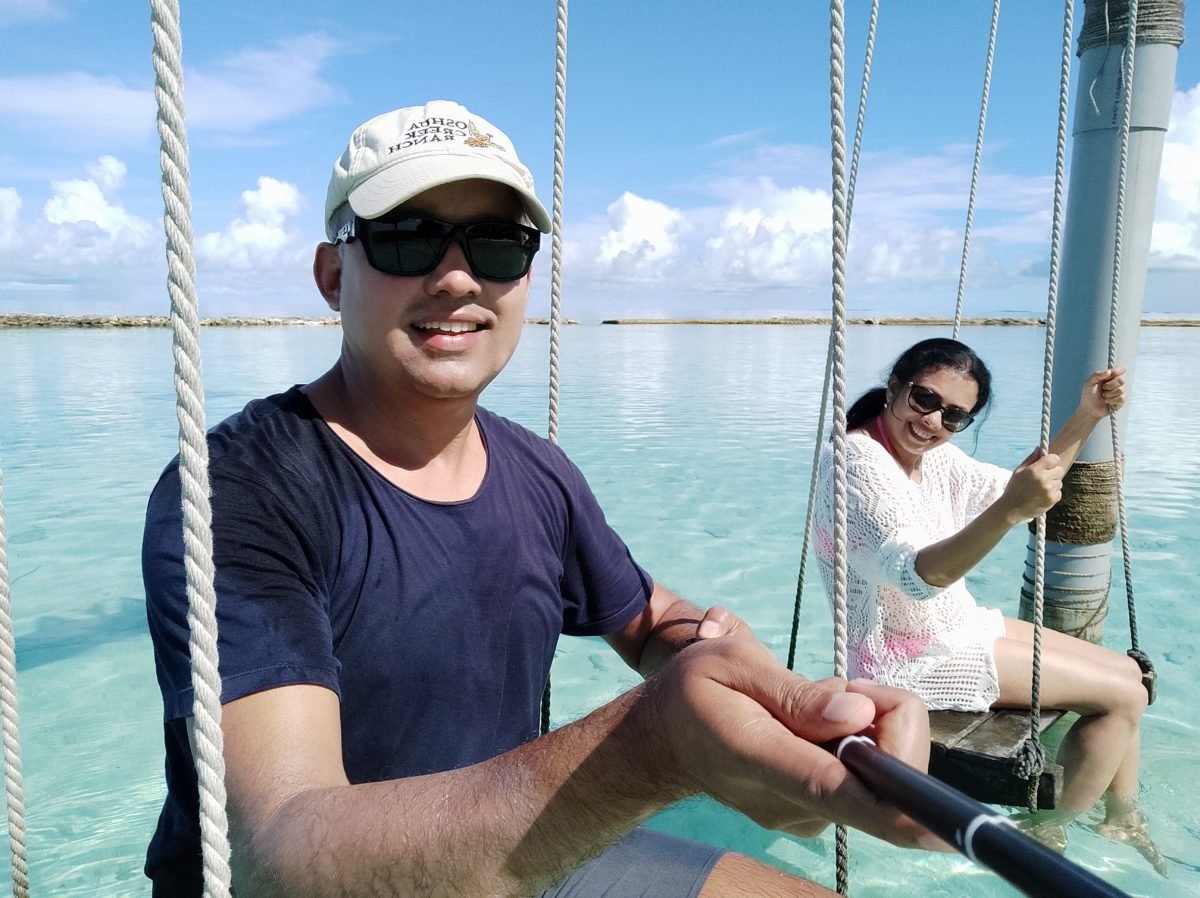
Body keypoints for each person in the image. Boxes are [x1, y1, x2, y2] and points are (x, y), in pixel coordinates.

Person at [143, 99, 936, 897]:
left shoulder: (536, 472)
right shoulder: (238, 493)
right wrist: (653, 747)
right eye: (406, 237)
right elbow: (277, 855)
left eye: (496, 244)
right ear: (330, 274)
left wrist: (764, 691)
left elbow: (651, 619)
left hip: (524, 853)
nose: (456, 276)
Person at [813, 337, 1163, 870]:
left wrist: (1086, 415)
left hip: (954, 626)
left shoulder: (933, 458)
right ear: (894, 387)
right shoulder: (857, 465)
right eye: (924, 399)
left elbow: (1020, 491)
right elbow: (917, 576)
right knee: (1123, 699)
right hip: (905, 660)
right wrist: (1006, 513)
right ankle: (1048, 834)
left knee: (1127, 674)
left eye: (953, 416)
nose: (932, 422)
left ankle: (1120, 815)